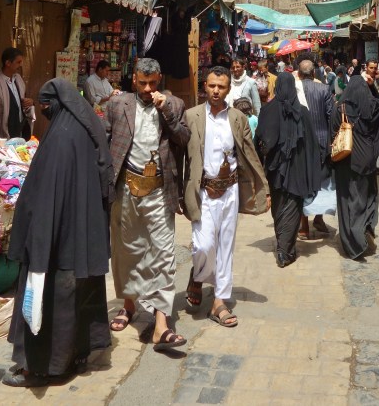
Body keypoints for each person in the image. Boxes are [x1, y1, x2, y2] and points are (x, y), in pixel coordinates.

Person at [4, 79, 114, 386]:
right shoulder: (85, 131)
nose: (44, 111)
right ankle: (77, 357)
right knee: (79, 294)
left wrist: (36, 242)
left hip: (57, 241)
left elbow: (46, 195)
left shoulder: (61, 138)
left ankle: (41, 368)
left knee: (52, 298)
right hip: (83, 236)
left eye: (45, 105)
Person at [104, 57, 190, 352]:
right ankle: (128, 305)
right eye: (142, 83)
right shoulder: (118, 105)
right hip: (127, 189)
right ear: (134, 80)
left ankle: (162, 325)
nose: (148, 89)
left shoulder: (174, 104)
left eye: (153, 83)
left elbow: (183, 139)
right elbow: (104, 140)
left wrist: (165, 109)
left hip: (159, 192)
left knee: (164, 254)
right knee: (128, 251)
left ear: (160, 79)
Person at [183, 67, 269, 327]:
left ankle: (219, 302)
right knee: (203, 245)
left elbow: (249, 154)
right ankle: (197, 277)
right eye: (211, 86)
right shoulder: (192, 116)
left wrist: (262, 187)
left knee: (225, 246)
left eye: (221, 87)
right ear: (204, 87)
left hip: (229, 190)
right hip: (202, 192)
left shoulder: (238, 118)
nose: (216, 91)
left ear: (229, 89)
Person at [257, 73, 321, 268]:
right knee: (292, 207)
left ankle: (283, 247)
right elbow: (312, 145)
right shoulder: (302, 112)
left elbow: (261, 139)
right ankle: (285, 251)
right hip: (297, 169)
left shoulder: (268, 110)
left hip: (275, 169)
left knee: (279, 207)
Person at [331, 75, 379, 260]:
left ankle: (353, 243)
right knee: (366, 196)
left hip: (346, 161)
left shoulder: (341, 108)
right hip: (367, 161)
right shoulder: (375, 107)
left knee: (348, 200)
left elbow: (333, 133)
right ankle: (365, 229)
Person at [296, 60, 336, 238]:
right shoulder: (324, 89)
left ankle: (304, 225)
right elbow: (331, 116)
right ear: (314, 74)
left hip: (300, 142)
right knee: (321, 182)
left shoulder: (294, 90)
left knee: (302, 181)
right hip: (321, 142)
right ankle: (318, 218)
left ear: (298, 74)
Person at [0, 47, 35, 140]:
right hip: (4, 132)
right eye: (18, 62)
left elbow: (22, 101)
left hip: (19, 129)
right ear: (8, 63)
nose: (21, 65)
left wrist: (30, 102)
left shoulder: (18, 80)